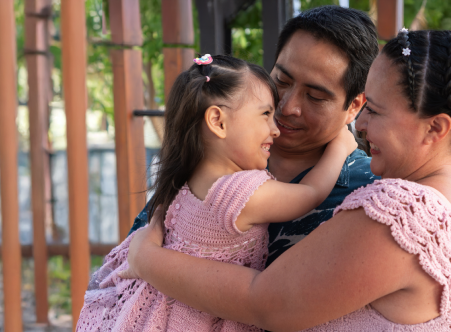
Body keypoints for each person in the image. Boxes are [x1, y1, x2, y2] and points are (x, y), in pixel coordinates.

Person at [122, 29, 451, 331]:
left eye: (374, 111)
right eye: (281, 82)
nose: (362, 126)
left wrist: (145, 258)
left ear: (436, 127)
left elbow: (267, 303)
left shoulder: (406, 211)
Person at [74, 54, 360, 332]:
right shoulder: (243, 192)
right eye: (265, 114)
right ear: (218, 122)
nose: (275, 129)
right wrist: (340, 148)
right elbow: (310, 192)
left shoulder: (187, 179)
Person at [128, 5, 382, 265]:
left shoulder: (370, 193)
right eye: (281, 80)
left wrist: (147, 260)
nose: (287, 106)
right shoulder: (216, 156)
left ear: (354, 105)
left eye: (315, 97)